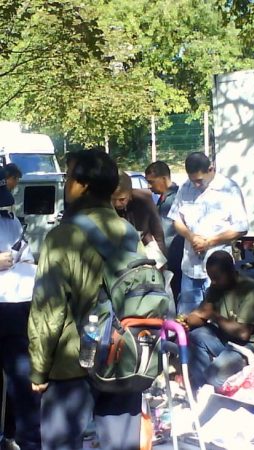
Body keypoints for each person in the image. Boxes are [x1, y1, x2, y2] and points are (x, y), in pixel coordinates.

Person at [28, 150, 142, 450]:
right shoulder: (128, 231)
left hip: (73, 364)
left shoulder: (62, 237)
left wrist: (38, 369)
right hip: (123, 357)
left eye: (69, 178)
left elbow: (48, 310)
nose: (66, 185)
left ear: (83, 186)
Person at [181, 250, 254, 391]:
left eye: (217, 278)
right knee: (196, 336)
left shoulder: (250, 290)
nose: (213, 282)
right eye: (211, 278)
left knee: (214, 375)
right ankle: (203, 389)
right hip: (230, 340)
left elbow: (243, 334)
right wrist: (187, 320)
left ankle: (221, 391)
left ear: (231, 271)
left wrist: (213, 315)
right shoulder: (216, 287)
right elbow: (201, 315)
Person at [168, 152, 248, 314]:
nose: (196, 185)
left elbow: (241, 227)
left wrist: (210, 241)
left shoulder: (229, 189)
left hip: (218, 270)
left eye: (199, 180)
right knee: (187, 317)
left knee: (220, 316)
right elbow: (176, 220)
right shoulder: (186, 187)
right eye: (193, 180)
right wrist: (191, 236)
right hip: (190, 268)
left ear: (211, 169)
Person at [0, 168, 41, 450]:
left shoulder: (10, 219)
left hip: (17, 305)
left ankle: (22, 438)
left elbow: (24, 256)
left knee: (21, 379)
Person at [145, 161, 184, 301]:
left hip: (175, 258)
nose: (149, 187)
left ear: (163, 178)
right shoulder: (162, 199)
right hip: (166, 257)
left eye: (151, 182)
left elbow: (166, 232)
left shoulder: (175, 198)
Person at [111, 170, 166, 257]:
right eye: (113, 199)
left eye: (122, 199)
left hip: (146, 245)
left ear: (130, 192)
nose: (117, 204)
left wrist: (163, 257)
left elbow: (158, 232)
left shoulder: (143, 199)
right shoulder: (106, 205)